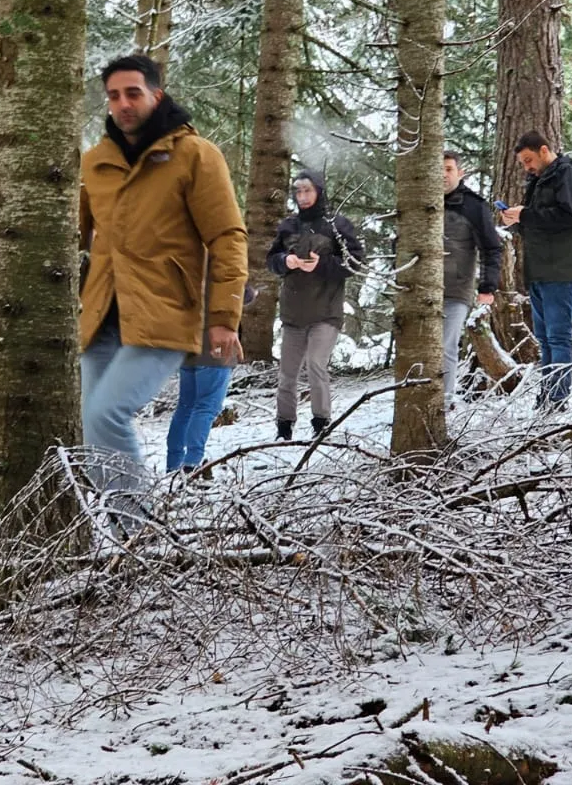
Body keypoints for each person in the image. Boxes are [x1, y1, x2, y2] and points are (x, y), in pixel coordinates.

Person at [79, 54, 248, 495]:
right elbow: (74, 239)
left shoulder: (195, 155)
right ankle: (126, 534)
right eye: (114, 96)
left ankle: (138, 537)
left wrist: (224, 320)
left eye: (133, 93)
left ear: (157, 93)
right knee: (89, 428)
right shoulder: (96, 162)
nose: (123, 104)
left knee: (105, 415)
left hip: (167, 312)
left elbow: (228, 237)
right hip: (102, 315)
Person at [265, 169, 365, 440]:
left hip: (326, 312)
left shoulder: (337, 225)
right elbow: (271, 259)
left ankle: (322, 424)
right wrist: (286, 262)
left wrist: (323, 264)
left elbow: (355, 262)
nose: (302, 196)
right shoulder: (288, 226)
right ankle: (284, 427)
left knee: (315, 364)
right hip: (292, 312)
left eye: (307, 190)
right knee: (287, 374)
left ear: (319, 191)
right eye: (298, 191)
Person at [499, 132, 572, 410]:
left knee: (558, 337)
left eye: (529, 160)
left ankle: (557, 399)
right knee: (546, 340)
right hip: (539, 270)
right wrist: (517, 221)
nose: (527, 167)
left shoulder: (566, 173)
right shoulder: (538, 181)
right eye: (523, 163)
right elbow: (540, 224)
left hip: (562, 269)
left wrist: (525, 215)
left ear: (544, 150)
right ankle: (547, 396)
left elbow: (567, 217)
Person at [166, 283, 258, 474]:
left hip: (189, 340)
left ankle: (173, 464)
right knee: (206, 406)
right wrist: (250, 291)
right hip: (216, 344)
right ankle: (192, 464)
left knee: (185, 407)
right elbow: (238, 295)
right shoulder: (221, 266)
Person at [441, 151, 502, 404]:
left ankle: (442, 404)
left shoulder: (473, 206)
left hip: (456, 290)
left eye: (448, 169)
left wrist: (487, 287)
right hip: (418, 290)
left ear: (460, 173)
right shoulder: (418, 202)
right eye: (438, 170)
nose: (442, 175)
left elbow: (491, 247)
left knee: (446, 347)